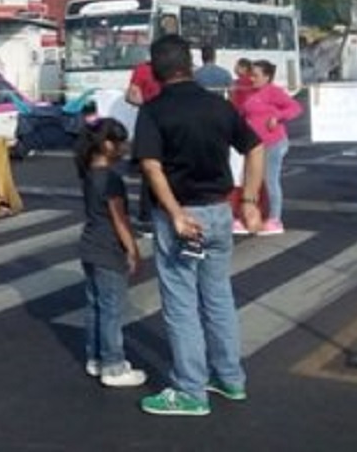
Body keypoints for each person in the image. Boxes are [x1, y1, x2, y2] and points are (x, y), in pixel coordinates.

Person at [132, 34, 265, 417]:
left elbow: (151, 166)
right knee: (219, 297)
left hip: (181, 215)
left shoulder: (154, 111)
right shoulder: (217, 106)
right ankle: (229, 377)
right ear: (190, 65)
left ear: (155, 71)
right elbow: (255, 147)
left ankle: (190, 390)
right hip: (219, 211)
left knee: (181, 305)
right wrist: (251, 201)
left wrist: (174, 212)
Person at [74, 117, 147, 388]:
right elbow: (120, 219)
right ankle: (113, 365)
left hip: (90, 245)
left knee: (95, 306)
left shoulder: (89, 172)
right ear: (107, 145)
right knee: (112, 310)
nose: (125, 147)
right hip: (108, 248)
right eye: (121, 142)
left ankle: (96, 358)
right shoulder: (111, 179)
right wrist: (133, 250)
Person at [240, 60, 303, 235]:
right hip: (253, 145)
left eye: (256, 75)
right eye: (251, 74)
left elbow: (296, 107)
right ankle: (250, 215)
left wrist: (278, 117)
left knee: (270, 180)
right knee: (249, 180)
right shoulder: (249, 92)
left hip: (273, 142)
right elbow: (244, 112)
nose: (252, 78)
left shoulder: (273, 92)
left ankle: (275, 219)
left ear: (267, 77)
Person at [126, 59, 162, 233]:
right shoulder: (178, 66)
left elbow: (131, 95)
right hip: (169, 116)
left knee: (149, 166)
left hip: (149, 116)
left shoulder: (142, 68)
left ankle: (147, 216)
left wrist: (147, 103)